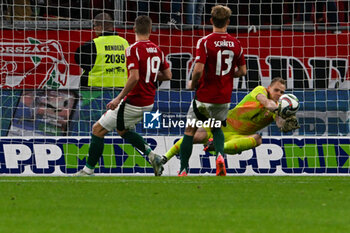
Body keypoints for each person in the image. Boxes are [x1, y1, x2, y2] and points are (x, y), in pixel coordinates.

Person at [74, 15, 172, 176]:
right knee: (122, 130)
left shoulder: (132, 49)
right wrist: (150, 75)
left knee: (97, 129)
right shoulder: (157, 49)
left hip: (133, 101)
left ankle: (88, 170)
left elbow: (134, 77)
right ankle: (153, 156)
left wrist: (118, 98)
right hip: (148, 102)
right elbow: (168, 75)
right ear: (150, 30)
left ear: (134, 29)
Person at [162, 78, 300, 172]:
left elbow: (280, 123)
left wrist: (286, 120)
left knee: (258, 139)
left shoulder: (277, 109)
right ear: (269, 87)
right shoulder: (260, 91)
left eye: (282, 92)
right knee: (195, 136)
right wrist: (279, 110)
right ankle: (163, 159)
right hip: (222, 125)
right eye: (276, 90)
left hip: (238, 137)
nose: (279, 94)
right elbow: (266, 102)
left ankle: (217, 147)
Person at [177, 5, 247, 177]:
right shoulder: (236, 43)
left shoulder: (205, 41)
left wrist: (192, 84)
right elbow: (243, 71)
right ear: (228, 21)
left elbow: (199, 69)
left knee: (189, 130)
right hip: (223, 97)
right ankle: (220, 158)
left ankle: (184, 169)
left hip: (204, 95)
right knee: (216, 129)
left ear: (210, 20)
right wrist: (230, 75)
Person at [75, 13, 129, 87]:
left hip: (96, 90)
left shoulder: (93, 45)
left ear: (100, 27)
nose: (93, 28)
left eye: (94, 25)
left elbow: (79, 60)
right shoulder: (125, 43)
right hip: (121, 89)